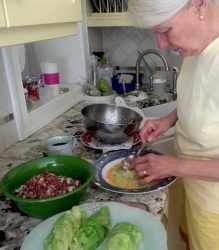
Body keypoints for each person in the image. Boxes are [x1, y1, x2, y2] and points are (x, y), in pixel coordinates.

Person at [127, 1, 219, 250]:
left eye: (165, 30)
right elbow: (202, 98)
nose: (161, 45)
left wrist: (172, 165)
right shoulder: (198, 45)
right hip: (190, 185)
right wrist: (167, 120)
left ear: (198, 6)